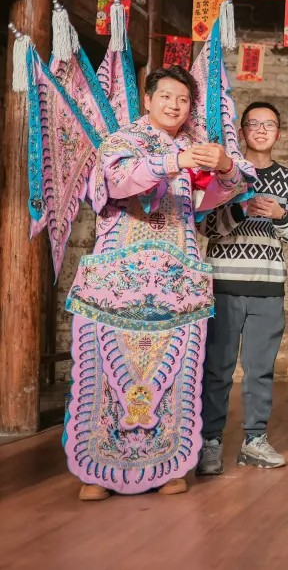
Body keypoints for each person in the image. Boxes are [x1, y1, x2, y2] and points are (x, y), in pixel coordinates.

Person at [65, 66, 254, 500]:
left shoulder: (196, 146)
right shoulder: (122, 142)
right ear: (147, 100)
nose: (174, 105)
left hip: (177, 282)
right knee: (104, 372)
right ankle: (99, 473)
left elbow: (229, 190)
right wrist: (173, 162)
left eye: (183, 99)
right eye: (166, 96)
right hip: (118, 281)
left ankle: (167, 466)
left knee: (177, 374)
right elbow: (117, 182)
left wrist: (225, 165)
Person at [197, 101, 288, 475]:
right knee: (217, 369)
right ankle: (210, 442)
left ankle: (254, 441)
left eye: (269, 124)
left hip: (268, 287)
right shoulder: (224, 174)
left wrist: (280, 214)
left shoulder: (287, 179)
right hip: (223, 285)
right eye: (254, 124)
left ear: (279, 133)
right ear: (242, 130)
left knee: (260, 370)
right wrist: (240, 209)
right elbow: (205, 227)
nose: (261, 130)